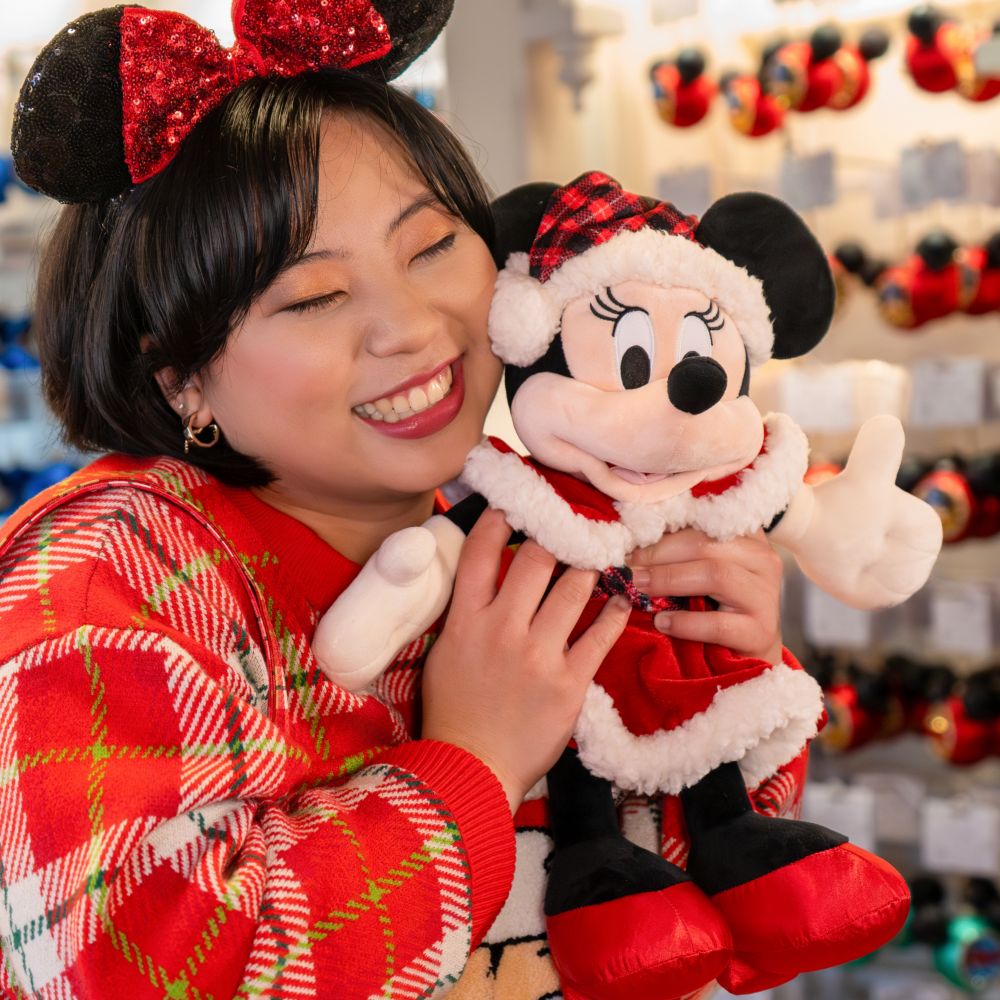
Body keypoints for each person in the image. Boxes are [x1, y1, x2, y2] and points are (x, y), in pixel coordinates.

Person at [0, 2, 792, 997]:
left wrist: (716, 674)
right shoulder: (101, 588)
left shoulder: (519, 515)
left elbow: (686, 930)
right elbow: (140, 976)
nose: (413, 330)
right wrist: (474, 761)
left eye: (430, 250)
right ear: (180, 380)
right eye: (313, 298)